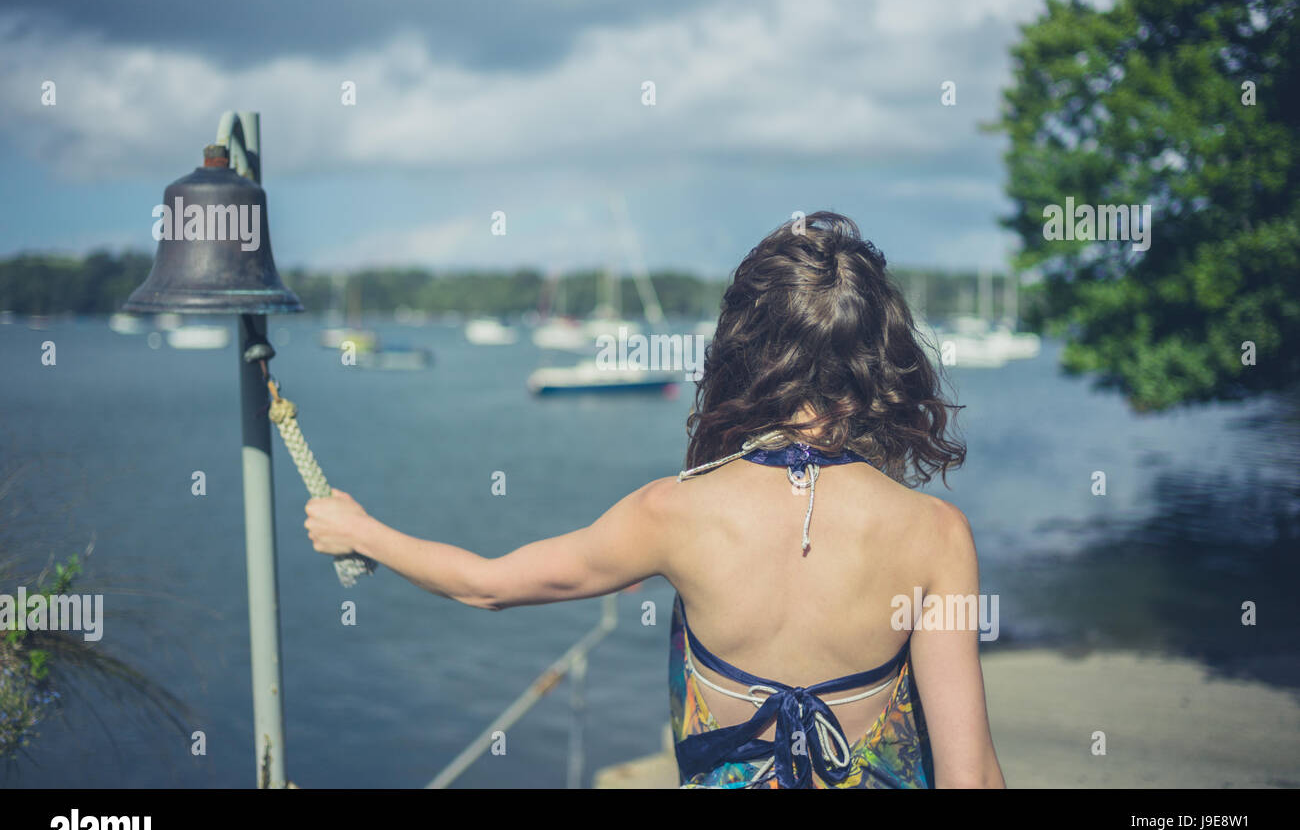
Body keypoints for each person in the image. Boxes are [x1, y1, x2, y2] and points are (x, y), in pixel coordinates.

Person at [304, 211, 1006, 789]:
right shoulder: (936, 534)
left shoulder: (670, 514)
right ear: (882, 357)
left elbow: (486, 586)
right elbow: (968, 773)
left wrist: (363, 531)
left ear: (744, 349)